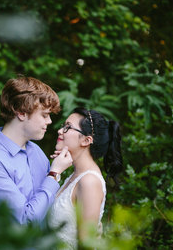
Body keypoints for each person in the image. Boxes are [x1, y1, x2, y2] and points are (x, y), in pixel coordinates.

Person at [0, 76, 73, 225]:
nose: (49, 121)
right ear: (21, 112)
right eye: (44, 115)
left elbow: (46, 209)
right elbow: (25, 222)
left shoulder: (37, 152)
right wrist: (54, 174)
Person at [48, 107, 123, 249]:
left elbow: (86, 245)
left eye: (67, 127)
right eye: (63, 126)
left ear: (86, 140)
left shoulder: (89, 181)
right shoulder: (73, 176)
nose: (60, 131)